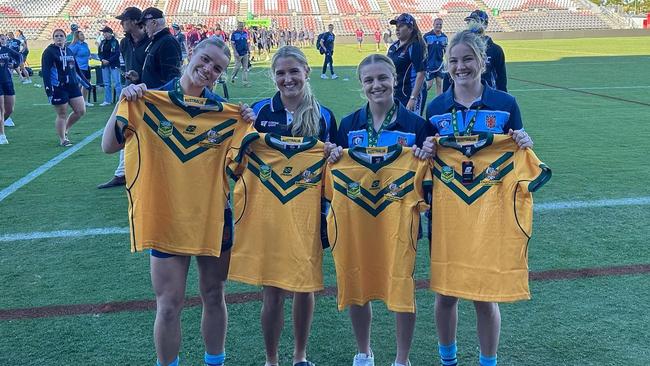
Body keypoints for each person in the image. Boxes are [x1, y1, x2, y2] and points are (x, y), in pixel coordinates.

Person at [101, 37, 256, 366]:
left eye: (217, 68)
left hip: (213, 215)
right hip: (167, 215)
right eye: (205, 60)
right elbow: (109, 146)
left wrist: (248, 122)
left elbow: (241, 167)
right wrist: (123, 101)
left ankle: (216, 362)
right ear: (191, 54)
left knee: (214, 295)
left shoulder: (227, 115)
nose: (208, 70)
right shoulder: (149, 99)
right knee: (169, 304)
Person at [425, 29, 533, 366]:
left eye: (468, 59)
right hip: (447, 214)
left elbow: (517, 155)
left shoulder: (505, 104)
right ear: (447, 65)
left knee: (485, 297)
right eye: (454, 61)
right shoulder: (436, 107)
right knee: (446, 294)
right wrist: (426, 149)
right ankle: (449, 360)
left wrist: (523, 141)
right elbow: (423, 165)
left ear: (482, 62)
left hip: (490, 214)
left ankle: (488, 361)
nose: (461, 66)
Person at [327, 54, 433, 366]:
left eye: (382, 78)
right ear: (362, 85)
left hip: (401, 220)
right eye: (369, 80)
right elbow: (334, 168)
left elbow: (430, 174)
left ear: (395, 79)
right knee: (358, 282)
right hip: (358, 217)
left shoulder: (416, 125)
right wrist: (333, 154)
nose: (377, 85)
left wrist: (427, 152)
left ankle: (402, 359)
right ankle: (364, 351)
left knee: (402, 283)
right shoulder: (348, 124)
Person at [237, 45, 337, 366]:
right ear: (273, 76)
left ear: (307, 72)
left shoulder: (324, 116)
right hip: (268, 215)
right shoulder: (259, 112)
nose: (287, 78)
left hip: (309, 215)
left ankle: (300, 356)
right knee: (273, 292)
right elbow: (236, 156)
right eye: (281, 73)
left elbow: (334, 169)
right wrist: (242, 126)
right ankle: (271, 359)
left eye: (294, 71)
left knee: (304, 288)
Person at [97, 6, 151, 190]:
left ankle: (132, 173)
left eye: (124, 20)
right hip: (130, 92)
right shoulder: (124, 43)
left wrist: (141, 77)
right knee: (126, 129)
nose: (121, 23)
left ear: (136, 21)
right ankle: (122, 173)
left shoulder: (151, 41)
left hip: (148, 93)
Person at [41, 29, 89, 147]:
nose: (59, 38)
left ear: (65, 38)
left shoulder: (69, 51)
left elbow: (76, 69)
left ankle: (65, 129)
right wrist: (48, 89)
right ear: (53, 38)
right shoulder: (49, 52)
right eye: (56, 36)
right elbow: (46, 72)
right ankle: (63, 139)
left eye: (61, 36)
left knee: (80, 110)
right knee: (62, 113)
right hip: (58, 87)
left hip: (72, 86)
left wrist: (85, 82)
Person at [443, 10, 507, 92]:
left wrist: (503, 100)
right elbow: (448, 74)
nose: (472, 24)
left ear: (485, 24)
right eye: (470, 21)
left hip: (488, 97)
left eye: (476, 21)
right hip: (462, 97)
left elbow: (501, 79)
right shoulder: (460, 46)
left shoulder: (495, 50)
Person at [387, 13, 427, 114]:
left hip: (411, 93)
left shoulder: (415, 46)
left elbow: (421, 73)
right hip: (397, 92)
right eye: (396, 26)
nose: (397, 29)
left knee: (412, 125)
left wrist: (413, 98)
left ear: (410, 29)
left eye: (400, 26)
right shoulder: (393, 47)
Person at [139, 7, 182, 89]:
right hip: (153, 96)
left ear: (154, 23)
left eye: (145, 25)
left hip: (158, 99)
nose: (144, 29)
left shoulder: (168, 42)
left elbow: (172, 79)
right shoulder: (158, 41)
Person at [0, 34, 23, 144]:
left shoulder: (6, 49)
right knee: (1, 109)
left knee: (9, 110)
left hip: (7, 81)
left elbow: (19, 56)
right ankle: (2, 135)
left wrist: (14, 64)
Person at [97, 26, 122, 106]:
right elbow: (99, 53)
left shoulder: (115, 42)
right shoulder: (103, 42)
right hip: (105, 65)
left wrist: (109, 61)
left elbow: (117, 53)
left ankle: (120, 100)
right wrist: (102, 60)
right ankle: (107, 100)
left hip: (114, 65)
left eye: (105, 32)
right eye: (103, 33)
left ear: (110, 33)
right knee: (107, 83)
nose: (104, 34)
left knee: (117, 83)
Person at [423, 18, 447, 97]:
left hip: (439, 64)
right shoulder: (427, 36)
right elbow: (422, 50)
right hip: (429, 64)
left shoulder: (444, 37)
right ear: (433, 25)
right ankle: (419, 96)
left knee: (439, 83)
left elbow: (446, 50)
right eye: (437, 24)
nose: (439, 26)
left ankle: (438, 102)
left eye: (440, 24)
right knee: (429, 85)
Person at [69, 31, 93, 107]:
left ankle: (84, 101)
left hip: (86, 66)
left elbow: (88, 53)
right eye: (81, 35)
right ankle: (75, 101)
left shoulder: (85, 44)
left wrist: (89, 56)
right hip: (79, 68)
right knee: (79, 85)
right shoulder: (75, 45)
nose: (83, 36)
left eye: (83, 34)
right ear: (77, 36)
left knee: (86, 84)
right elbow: (69, 54)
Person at [230, 22, 250, 87]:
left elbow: (247, 41)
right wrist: (235, 52)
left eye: (242, 26)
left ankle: (245, 83)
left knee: (245, 68)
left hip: (245, 52)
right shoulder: (234, 34)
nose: (241, 27)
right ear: (238, 26)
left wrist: (248, 49)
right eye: (240, 26)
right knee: (237, 67)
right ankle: (232, 77)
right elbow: (232, 43)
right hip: (238, 53)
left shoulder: (245, 33)